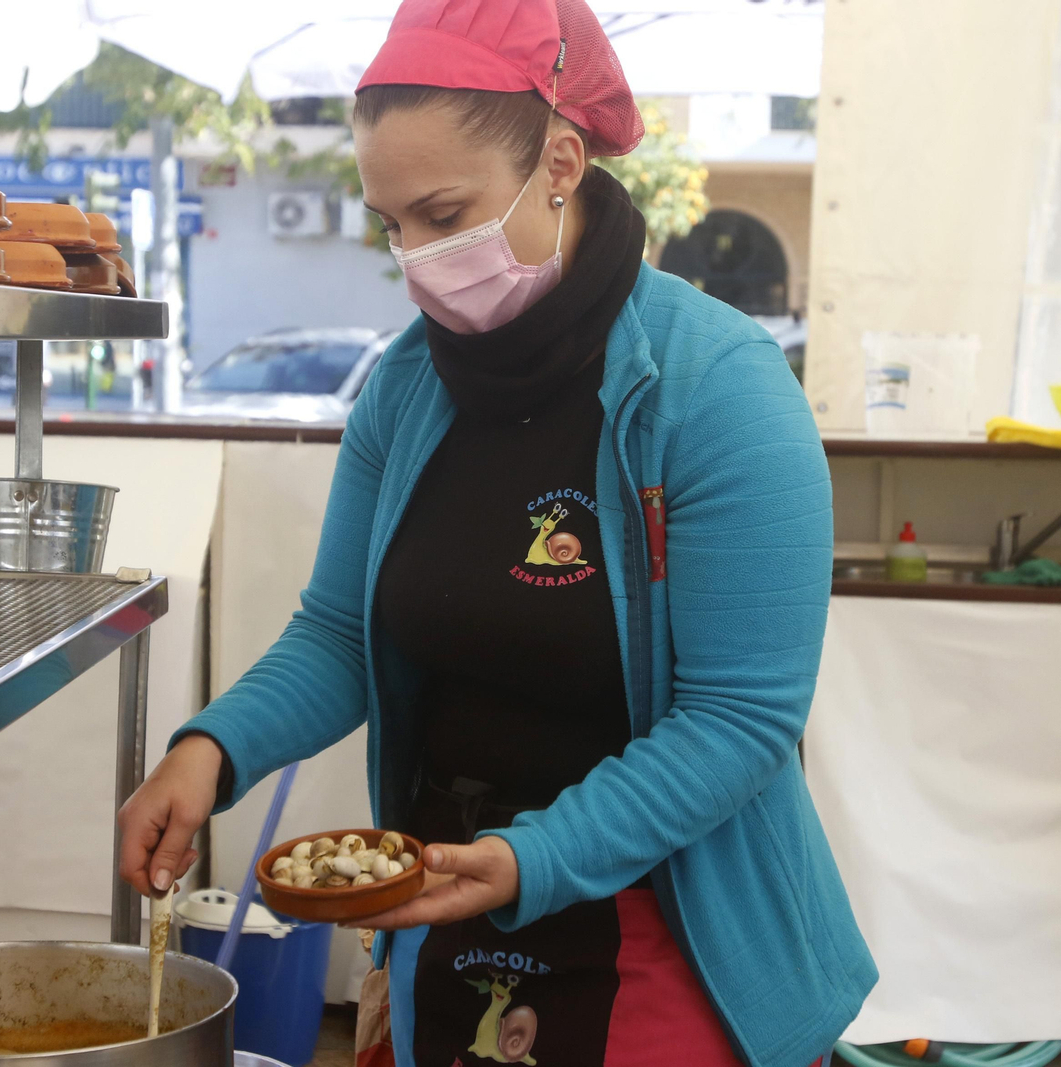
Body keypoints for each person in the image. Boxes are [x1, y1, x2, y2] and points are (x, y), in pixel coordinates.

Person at [118, 1, 876, 1064]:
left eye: (443, 214)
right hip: (444, 890)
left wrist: (535, 855)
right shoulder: (405, 388)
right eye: (392, 225)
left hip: (668, 920)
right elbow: (340, 633)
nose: (417, 258)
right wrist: (212, 747)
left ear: (560, 162)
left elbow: (739, 718)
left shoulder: (717, 389)